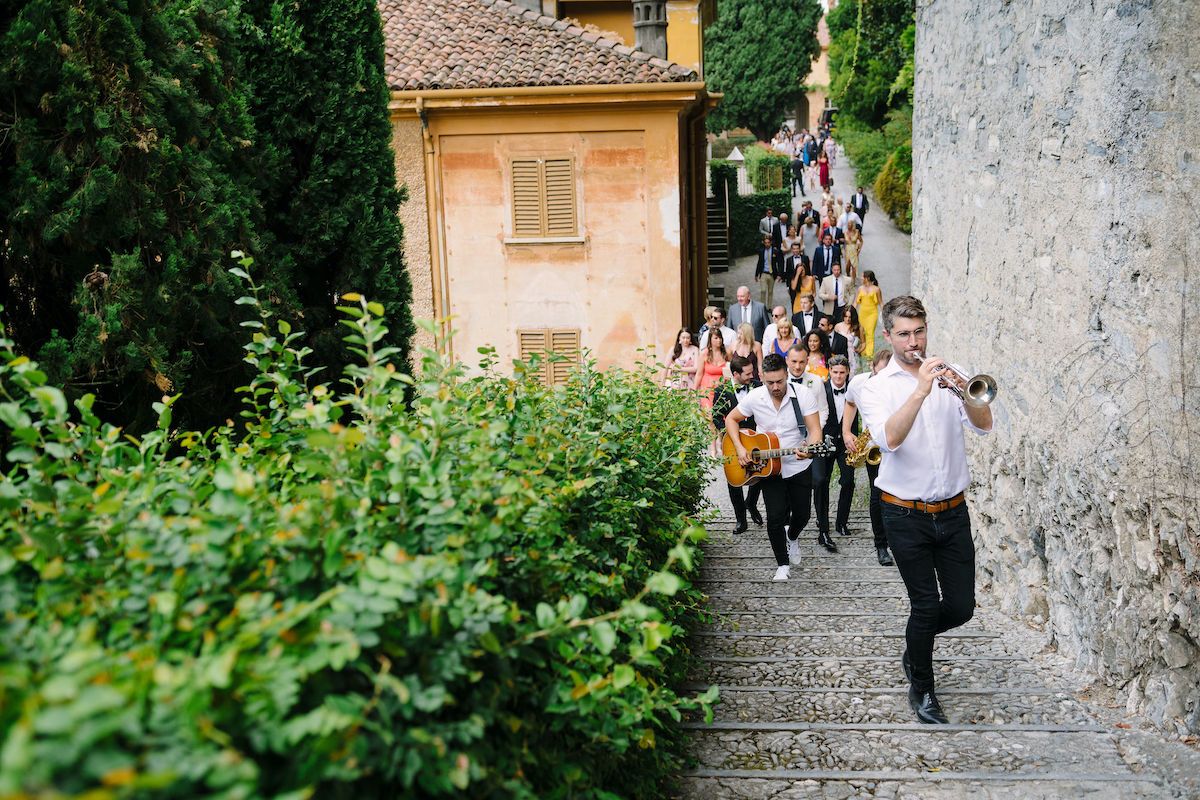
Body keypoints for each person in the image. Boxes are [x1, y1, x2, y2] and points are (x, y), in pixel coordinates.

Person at [856, 296, 994, 725]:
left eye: (919, 331)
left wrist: (963, 389)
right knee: (926, 605)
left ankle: (915, 648)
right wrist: (920, 389)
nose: (913, 341)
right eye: (904, 333)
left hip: (953, 512)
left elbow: (984, 424)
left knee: (962, 607)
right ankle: (923, 688)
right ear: (887, 335)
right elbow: (889, 439)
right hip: (903, 514)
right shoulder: (874, 387)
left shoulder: (950, 376)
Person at [725, 353, 823, 580]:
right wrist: (740, 448)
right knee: (775, 516)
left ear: (787, 375)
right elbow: (731, 419)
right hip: (769, 468)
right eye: (770, 382)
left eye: (780, 381)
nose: (776, 386)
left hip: (799, 464)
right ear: (761, 377)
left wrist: (811, 447)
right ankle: (782, 564)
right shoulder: (755, 397)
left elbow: (815, 430)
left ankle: (793, 536)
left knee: (803, 514)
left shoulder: (804, 395)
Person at [843, 348, 894, 565]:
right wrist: (846, 431)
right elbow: (850, 402)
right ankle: (881, 545)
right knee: (877, 494)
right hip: (873, 446)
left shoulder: (896, 385)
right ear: (872, 367)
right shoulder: (858, 383)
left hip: (896, 445)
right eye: (880, 373)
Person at [784, 345, 832, 552]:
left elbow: (823, 410)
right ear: (787, 361)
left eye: (801, 361)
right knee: (786, 482)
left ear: (807, 361)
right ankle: (788, 529)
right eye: (793, 361)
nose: (797, 366)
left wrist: (813, 436)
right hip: (788, 443)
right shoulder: (779, 382)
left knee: (820, 480)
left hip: (813, 439)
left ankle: (823, 530)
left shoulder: (816, 382)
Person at [711, 355, 764, 534]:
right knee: (733, 480)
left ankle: (752, 504)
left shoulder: (758, 386)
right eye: (748, 373)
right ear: (736, 374)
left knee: (760, 472)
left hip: (755, 438)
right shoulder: (722, 390)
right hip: (732, 442)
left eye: (752, 372)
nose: (752, 376)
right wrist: (727, 436)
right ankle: (741, 519)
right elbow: (716, 417)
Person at [813, 355, 857, 542]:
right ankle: (822, 524)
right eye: (835, 372)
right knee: (822, 481)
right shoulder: (820, 390)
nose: (838, 377)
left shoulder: (854, 391)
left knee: (848, 481)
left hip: (847, 443)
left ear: (847, 372)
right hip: (825, 442)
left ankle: (842, 522)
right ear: (829, 371)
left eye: (842, 372)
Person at [693, 328, 729, 431]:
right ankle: (712, 446)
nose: (719, 340)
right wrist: (695, 390)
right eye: (716, 338)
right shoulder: (705, 353)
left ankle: (720, 443)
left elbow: (730, 370)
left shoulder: (726, 353)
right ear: (710, 339)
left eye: (720, 338)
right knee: (710, 417)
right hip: (707, 390)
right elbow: (699, 374)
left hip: (721, 389)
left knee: (721, 417)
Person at [854, 270, 883, 358]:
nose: (861, 278)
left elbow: (881, 302)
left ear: (867, 278)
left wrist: (884, 312)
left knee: (870, 333)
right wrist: (850, 311)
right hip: (862, 313)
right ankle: (863, 352)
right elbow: (856, 302)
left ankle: (869, 355)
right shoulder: (860, 289)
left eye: (863, 277)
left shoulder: (876, 289)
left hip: (872, 314)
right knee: (862, 333)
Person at [833, 305, 865, 376]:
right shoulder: (838, 326)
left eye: (850, 317)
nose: (847, 319)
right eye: (846, 316)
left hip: (853, 356)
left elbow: (863, 343)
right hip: (841, 354)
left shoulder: (858, 327)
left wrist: (858, 351)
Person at [754, 235, 783, 308]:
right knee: (763, 290)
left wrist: (779, 274)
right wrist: (756, 274)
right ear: (763, 243)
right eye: (765, 243)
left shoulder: (775, 251)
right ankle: (762, 306)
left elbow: (779, 263)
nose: (767, 244)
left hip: (772, 273)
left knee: (770, 291)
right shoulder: (761, 251)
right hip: (764, 273)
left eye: (768, 242)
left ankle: (769, 307)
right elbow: (759, 263)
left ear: (771, 243)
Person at [784, 243, 810, 309]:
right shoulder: (788, 260)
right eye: (794, 249)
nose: (795, 250)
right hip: (793, 284)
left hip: (804, 283)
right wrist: (788, 286)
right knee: (793, 301)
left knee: (805, 301)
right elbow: (787, 274)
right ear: (792, 250)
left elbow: (808, 271)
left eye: (797, 249)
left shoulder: (805, 258)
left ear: (800, 249)